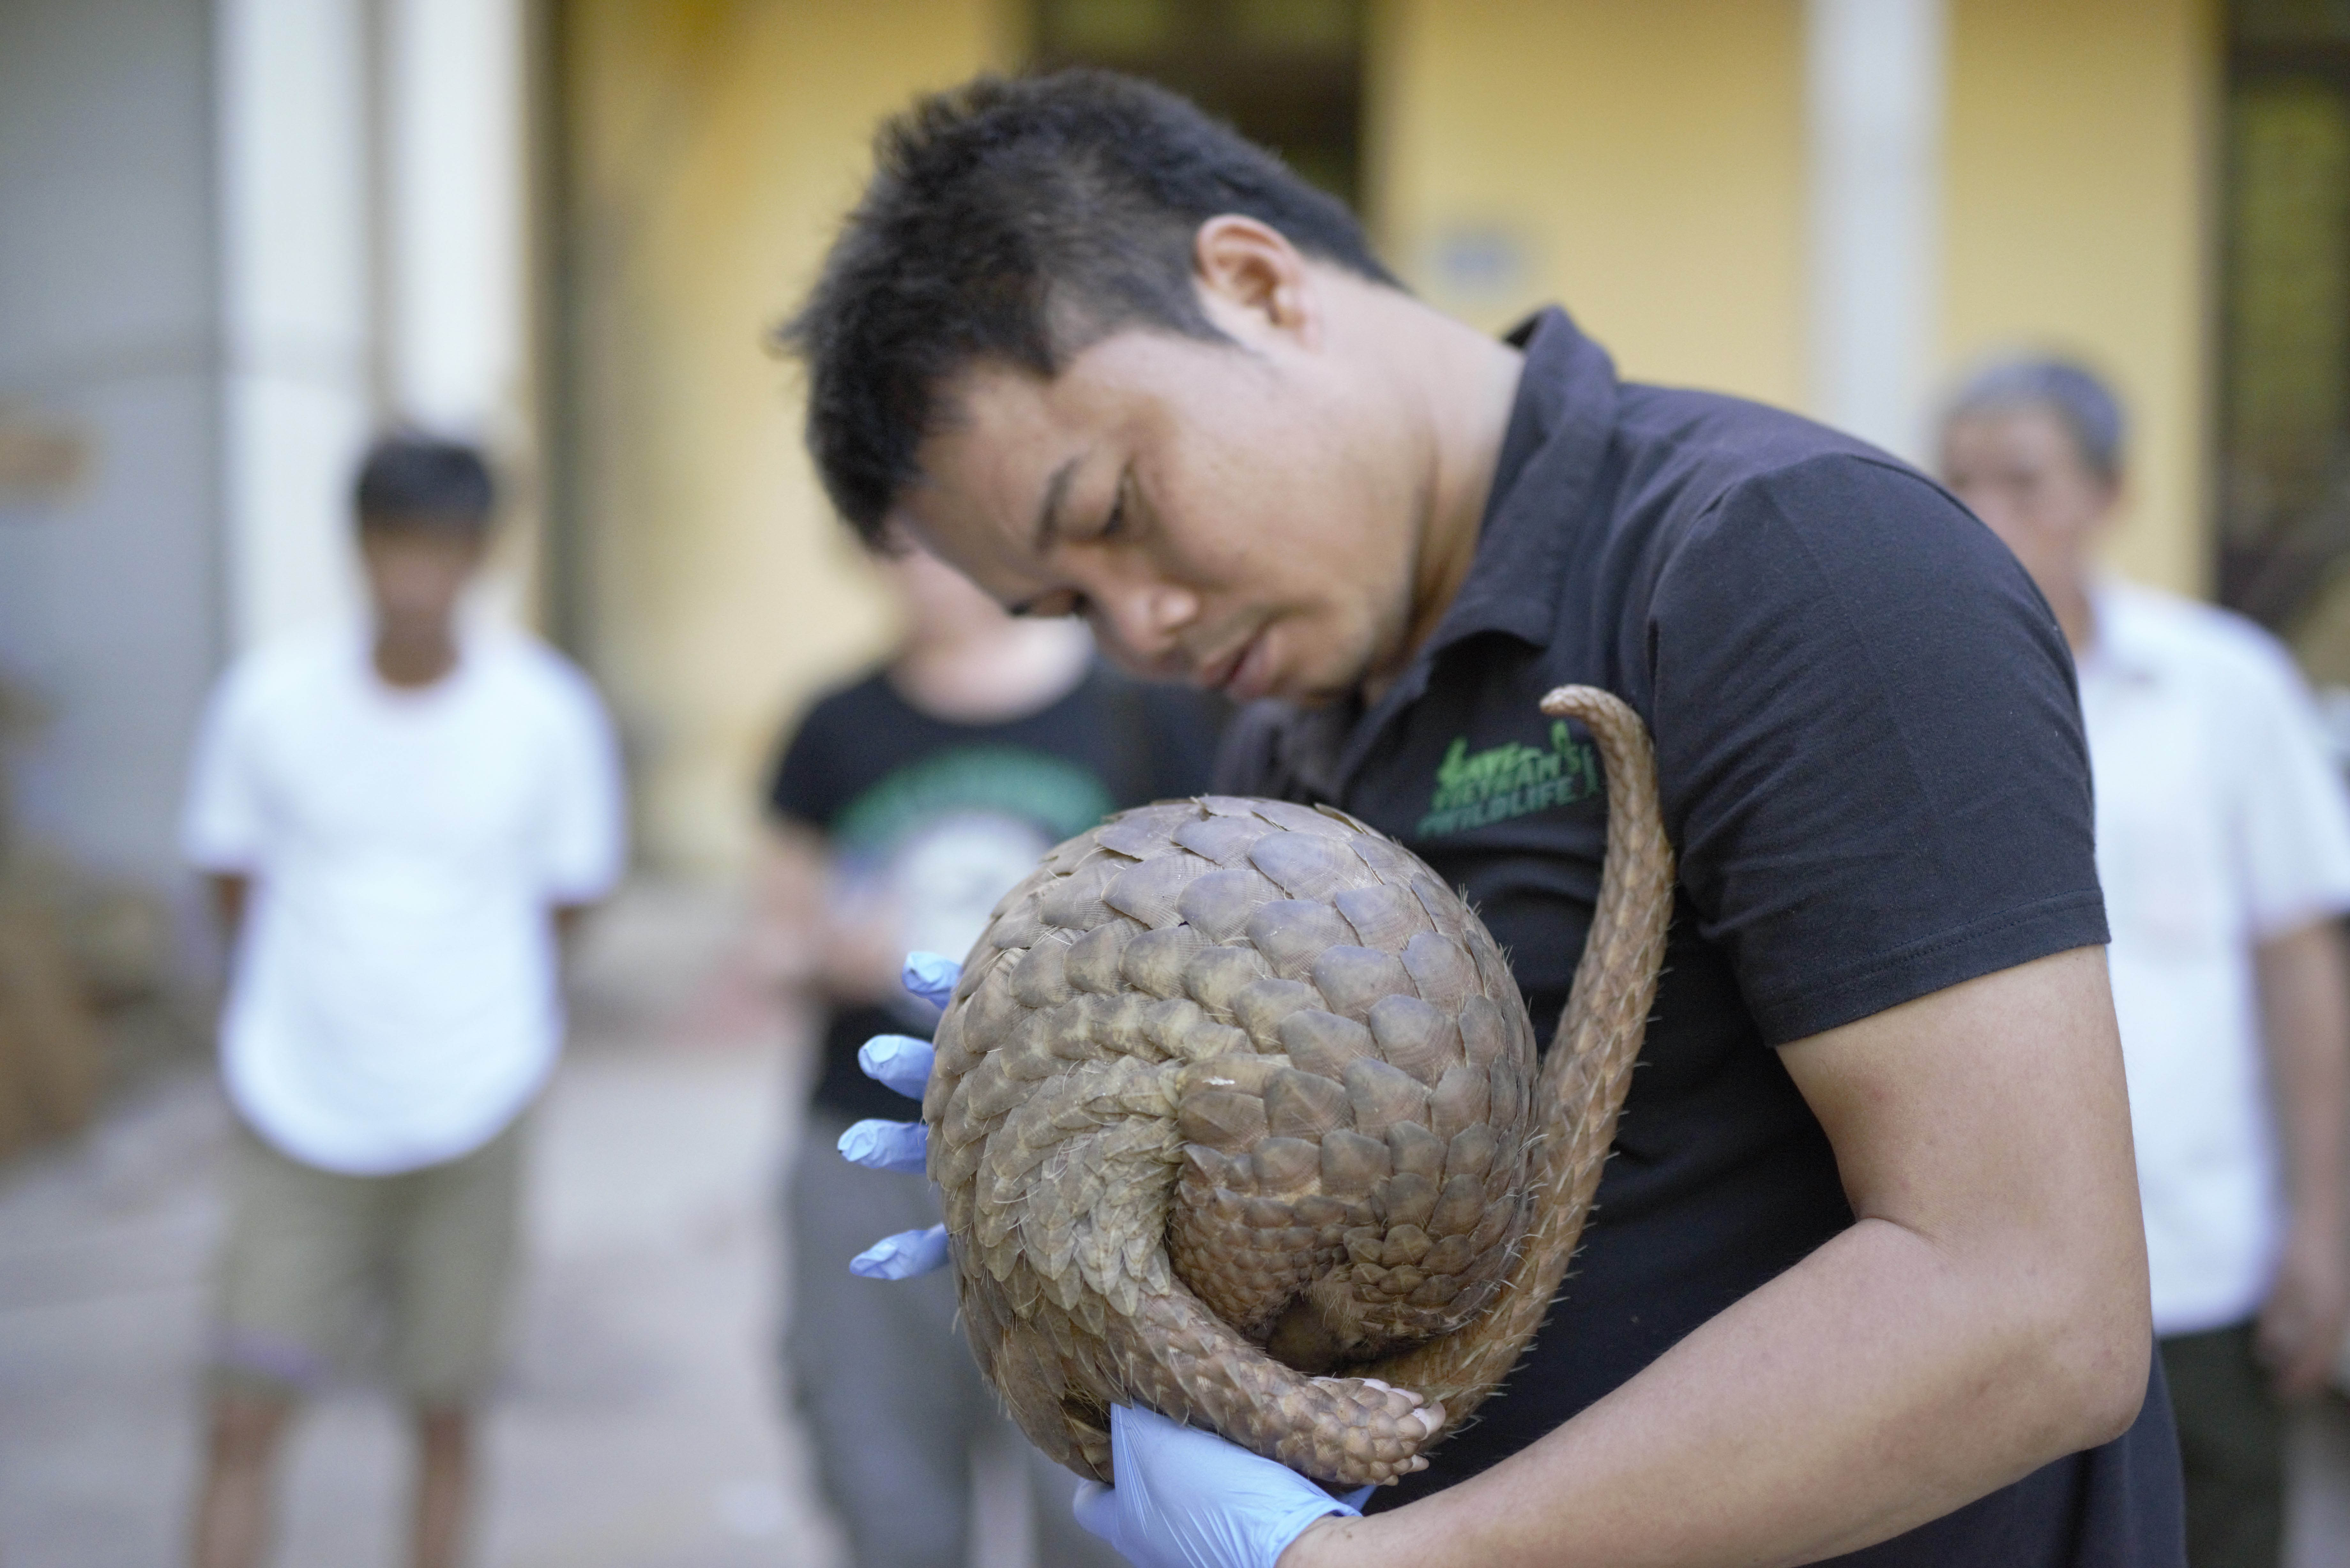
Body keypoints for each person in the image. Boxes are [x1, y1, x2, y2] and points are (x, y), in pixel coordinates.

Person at [787, 70, 2184, 1568]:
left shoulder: (1781, 562)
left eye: (1117, 508)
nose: (1139, 626)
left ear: (1255, 284)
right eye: (1062, 605)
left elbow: (2030, 1302)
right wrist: (1075, 1188)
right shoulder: (1281, 731)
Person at [180, 435, 625, 1568]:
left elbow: (570, 899)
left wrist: (470, 1009)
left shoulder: (546, 714)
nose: (414, 578)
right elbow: (230, 877)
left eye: (440, 549)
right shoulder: (270, 700)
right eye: (393, 546)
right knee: (242, 1411)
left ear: (480, 555)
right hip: (298, 1105)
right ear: (358, 547)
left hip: (476, 1101)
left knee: (447, 1412)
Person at [1940, 358, 2350, 1568]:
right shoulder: (1924, 697)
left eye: (2025, 478)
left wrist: (2324, 1225)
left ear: (2108, 494)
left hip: (2202, 1266)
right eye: (1959, 480)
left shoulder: (2226, 687)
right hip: (1989, 1286)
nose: (1988, 510)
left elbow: (2297, 972)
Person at [753, 541, 1219, 1568]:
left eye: (951, 529)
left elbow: (1212, 929)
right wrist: (825, 951)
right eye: (899, 535)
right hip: (870, 1144)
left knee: (1093, 1499)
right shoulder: (835, 724)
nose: (930, 563)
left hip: (1085, 1165)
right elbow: (771, 934)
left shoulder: (1139, 715)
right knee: (887, 1479)